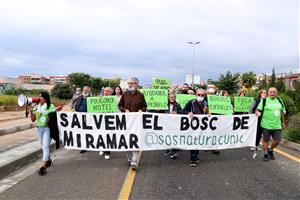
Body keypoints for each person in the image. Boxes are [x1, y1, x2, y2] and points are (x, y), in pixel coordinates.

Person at [118, 77, 147, 170]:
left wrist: (141, 110)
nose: (130, 84)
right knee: (126, 141)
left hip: (136, 123)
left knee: (135, 140)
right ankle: (130, 159)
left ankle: (134, 161)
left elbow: (144, 106)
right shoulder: (125, 94)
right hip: (126, 122)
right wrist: (124, 110)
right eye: (129, 83)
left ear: (136, 85)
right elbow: (120, 105)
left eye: (132, 83)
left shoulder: (141, 95)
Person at [256, 87, 286, 162]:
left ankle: (271, 150)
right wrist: (257, 112)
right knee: (266, 140)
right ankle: (266, 154)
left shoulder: (279, 100)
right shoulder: (264, 100)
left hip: (277, 125)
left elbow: (282, 111)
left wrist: (283, 122)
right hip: (266, 125)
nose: (272, 93)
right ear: (268, 93)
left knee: (277, 140)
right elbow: (258, 109)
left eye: (274, 92)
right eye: (271, 92)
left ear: (276, 93)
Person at [30, 91, 55, 176]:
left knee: (45, 146)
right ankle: (48, 160)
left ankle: (43, 167)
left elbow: (52, 117)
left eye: (41, 96)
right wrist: (31, 111)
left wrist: (47, 122)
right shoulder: (36, 106)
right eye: (39, 96)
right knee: (43, 147)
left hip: (47, 129)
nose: (39, 98)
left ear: (45, 98)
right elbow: (33, 120)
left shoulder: (50, 106)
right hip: (39, 129)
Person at [182, 89, 208, 167]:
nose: (200, 96)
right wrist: (188, 112)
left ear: (204, 96)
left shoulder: (206, 103)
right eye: (199, 95)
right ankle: (193, 159)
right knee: (193, 141)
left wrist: (208, 112)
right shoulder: (191, 102)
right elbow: (182, 111)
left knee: (198, 141)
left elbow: (208, 113)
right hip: (192, 126)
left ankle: (196, 156)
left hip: (201, 127)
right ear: (196, 95)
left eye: (202, 95)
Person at [164, 93, 182, 159]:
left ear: (175, 98)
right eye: (170, 97)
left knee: (173, 136)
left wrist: (177, 113)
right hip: (166, 123)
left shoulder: (177, 105)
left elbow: (181, 112)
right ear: (168, 98)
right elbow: (161, 112)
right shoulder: (164, 104)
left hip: (174, 123)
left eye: (173, 97)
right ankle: (167, 149)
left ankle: (173, 152)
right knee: (167, 136)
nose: (172, 98)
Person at [74, 86, 91, 153]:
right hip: (80, 117)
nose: (85, 91)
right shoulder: (79, 97)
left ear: (88, 91)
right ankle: (83, 146)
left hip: (89, 118)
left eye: (86, 90)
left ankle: (89, 144)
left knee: (88, 132)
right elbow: (76, 106)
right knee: (82, 132)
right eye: (84, 90)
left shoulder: (91, 98)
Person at [102, 87, 113, 160]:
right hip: (100, 121)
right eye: (105, 91)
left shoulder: (113, 100)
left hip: (109, 120)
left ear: (111, 92)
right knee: (102, 135)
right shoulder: (99, 100)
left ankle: (107, 152)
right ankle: (103, 148)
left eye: (108, 91)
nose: (106, 92)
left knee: (108, 136)